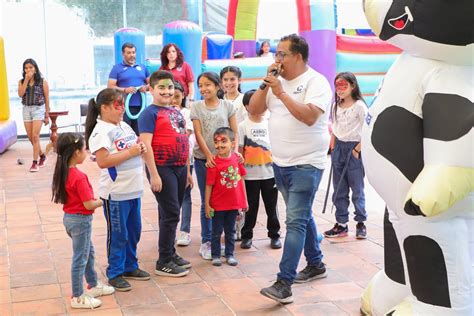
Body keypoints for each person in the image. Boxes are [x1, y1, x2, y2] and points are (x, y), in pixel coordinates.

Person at [249, 34, 332, 304]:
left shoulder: (316, 82)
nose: (277, 59)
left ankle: (284, 283)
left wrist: (281, 93)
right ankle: (316, 264)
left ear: (297, 56)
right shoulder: (275, 82)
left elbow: (309, 117)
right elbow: (254, 110)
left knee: (294, 222)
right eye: (276, 54)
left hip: (307, 164)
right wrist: (266, 85)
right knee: (303, 214)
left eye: (282, 54)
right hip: (281, 164)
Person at [85, 88, 150, 292]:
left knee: (134, 231)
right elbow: (103, 162)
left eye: (123, 104)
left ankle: (130, 266)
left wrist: (140, 148)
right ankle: (115, 272)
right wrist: (131, 152)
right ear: (104, 108)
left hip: (133, 190)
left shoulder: (124, 126)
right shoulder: (100, 131)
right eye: (117, 105)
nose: (122, 109)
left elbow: (134, 146)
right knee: (119, 234)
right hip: (116, 194)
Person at [138, 70, 193, 277]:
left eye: (170, 87)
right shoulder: (149, 114)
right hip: (162, 167)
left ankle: (170, 253)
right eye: (161, 87)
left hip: (179, 168)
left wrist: (187, 172)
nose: (167, 91)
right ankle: (163, 261)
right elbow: (145, 145)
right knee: (171, 213)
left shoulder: (176, 112)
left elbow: (184, 143)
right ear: (151, 89)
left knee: (170, 211)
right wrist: (154, 174)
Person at [52, 132, 115, 309]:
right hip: (81, 222)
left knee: (88, 252)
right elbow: (88, 204)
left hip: (70, 220)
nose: (86, 151)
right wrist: (101, 202)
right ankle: (78, 296)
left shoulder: (64, 173)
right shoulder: (79, 177)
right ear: (76, 153)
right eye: (84, 148)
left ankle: (93, 284)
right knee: (80, 258)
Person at [190, 71, 239, 260]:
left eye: (207, 85)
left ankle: (227, 240)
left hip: (226, 163)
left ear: (217, 86)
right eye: (200, 85)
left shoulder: (228, 106)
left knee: (226, 199)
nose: (203, 89)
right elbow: (198, 133)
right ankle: (207, 241)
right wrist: (209, 155)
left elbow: (234, 132)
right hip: (205, 160)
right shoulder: (196, 107)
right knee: (207, 200)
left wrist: (233, 154)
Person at [324, 72, 368, 239]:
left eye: (344, 86)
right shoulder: (335, 106)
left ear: (353, 86)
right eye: (337, 86)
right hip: (338, 149)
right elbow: (334, 127)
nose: (340, 90)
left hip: (354, 149)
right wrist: (333, 146)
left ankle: (361, 222)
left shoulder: (360, 107)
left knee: (357, 189)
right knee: (339, 189)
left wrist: (357, 150)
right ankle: (341, 224)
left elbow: (367, 129)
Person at [238, 89, 281, 250]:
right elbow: (240, 150)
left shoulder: (270, 123)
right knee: (250, 207)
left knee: (272, 207)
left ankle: (275, 235)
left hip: (270, 174)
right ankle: (247, 235)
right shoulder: (243, 126)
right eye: (254, 103)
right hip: (250, 176)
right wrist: (240, 173)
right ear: (247, 106)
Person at [205, 127, 248, 267]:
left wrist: (244, 200)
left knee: (231, 231)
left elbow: (241, 179)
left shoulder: (237, 159)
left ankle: (230, 254)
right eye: (216, 142)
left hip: (234, 204)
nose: (219, 145)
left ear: (233, 142)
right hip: (218, 205)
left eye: (224, 141)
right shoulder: (213, 163)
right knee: (216, 231)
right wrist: (207, 204)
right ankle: (216, 255)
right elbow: (209, 185)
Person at [171, 81, 196, 246]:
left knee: (186, 195)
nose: (174, 100)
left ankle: (185, 231)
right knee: (170, 198)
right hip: (167, 160)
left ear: (183, 96)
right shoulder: (161, 112)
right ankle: (170, 230)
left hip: (186, 159)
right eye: (171, 96)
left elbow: (185, 134)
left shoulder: (188, 113)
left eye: (177, 96)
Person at [107, 42, 150, 135]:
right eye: (129, 53)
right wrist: (125, 90)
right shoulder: (116, 68)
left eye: (133, 52)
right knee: (126, 134)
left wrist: (145, 87)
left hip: (141, 107)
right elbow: (110, 87)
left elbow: (152, 84)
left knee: (140, 133)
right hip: (123, 108)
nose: (132, 55)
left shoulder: (143, 67)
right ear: (123, 54)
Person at [17, 58, 50, 172]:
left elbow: (47, 99)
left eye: (30, 67)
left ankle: (34, 163)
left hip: (38, 109)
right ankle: (42, 156)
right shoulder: (21, 81)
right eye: (26, 68)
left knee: (35, 136)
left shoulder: (42, 82)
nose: (28, 70)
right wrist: (26, 80)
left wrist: (46, 115)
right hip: (26, 109)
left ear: (35, 69)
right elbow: (21, 94)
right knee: (31, 138)